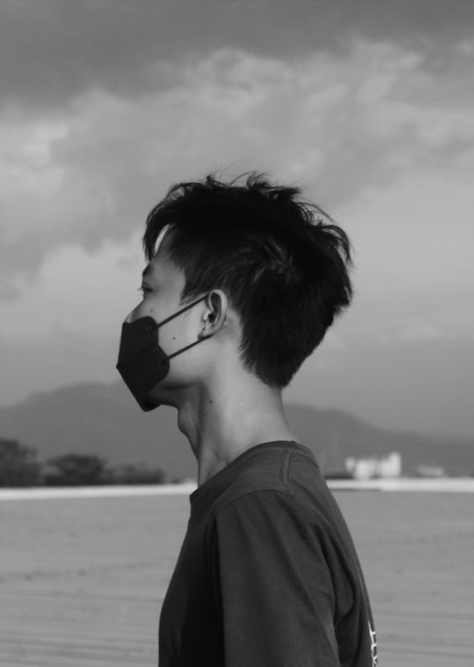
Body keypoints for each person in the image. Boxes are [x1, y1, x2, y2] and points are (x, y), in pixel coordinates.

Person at [117, 173, 377, 666]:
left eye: (149, 290)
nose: (133, 318)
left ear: (209, 315)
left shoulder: (259, 508)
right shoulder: (269, 491)